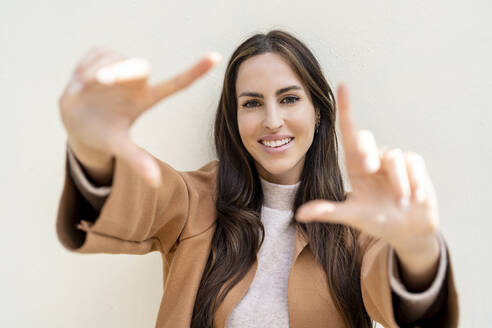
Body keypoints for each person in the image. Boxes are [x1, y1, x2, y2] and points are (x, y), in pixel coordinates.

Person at [56, 30, 458, 327]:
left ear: (318, 112)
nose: (271, 120)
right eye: (251, 103)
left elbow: (411, 310)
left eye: (288, 98)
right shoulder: (196, 203)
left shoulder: (358, 226)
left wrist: (418, 248)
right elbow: (137, 197)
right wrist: (93, 151)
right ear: (234, 120)